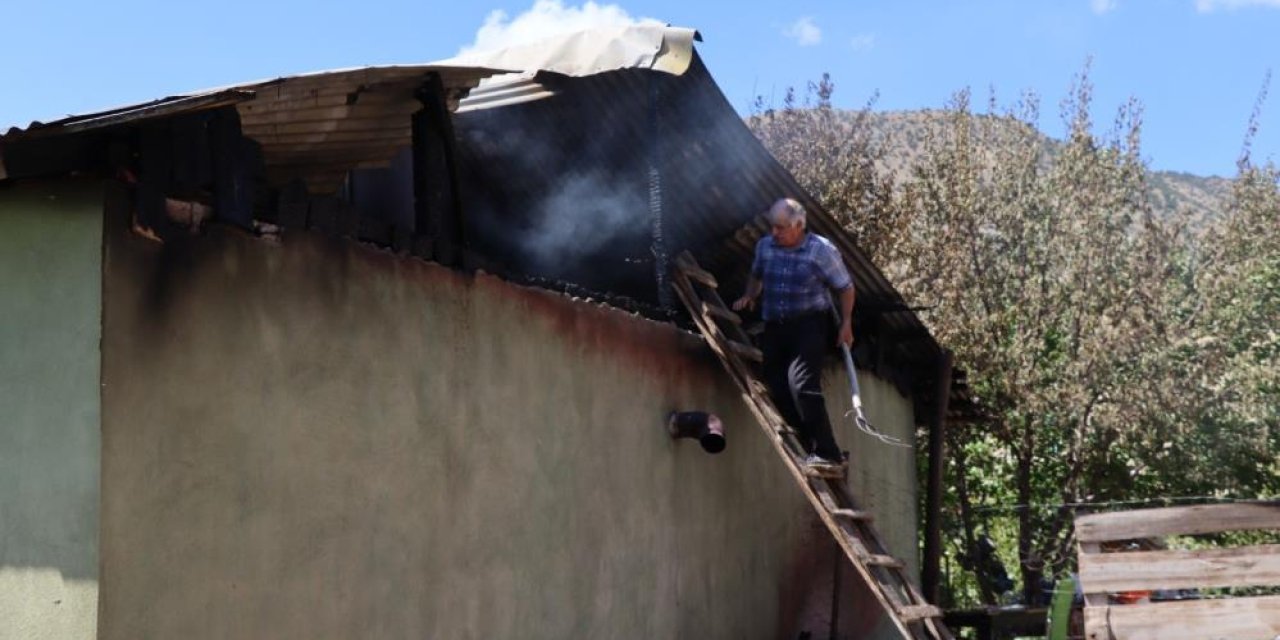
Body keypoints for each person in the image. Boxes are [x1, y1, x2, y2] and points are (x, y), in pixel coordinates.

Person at [732, 198, 855, 466]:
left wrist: (846, 323)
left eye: (781, 227)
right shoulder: (765, 247)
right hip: (775, 326)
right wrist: (750, 295)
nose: (775, 233)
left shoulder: (821, 251)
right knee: (776, 385)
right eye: (772, 227)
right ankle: (811, 444)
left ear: (799, 225)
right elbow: (756, 274)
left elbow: (845, 288)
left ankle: (828, 453)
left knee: (801, 384)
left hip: (808, 325)